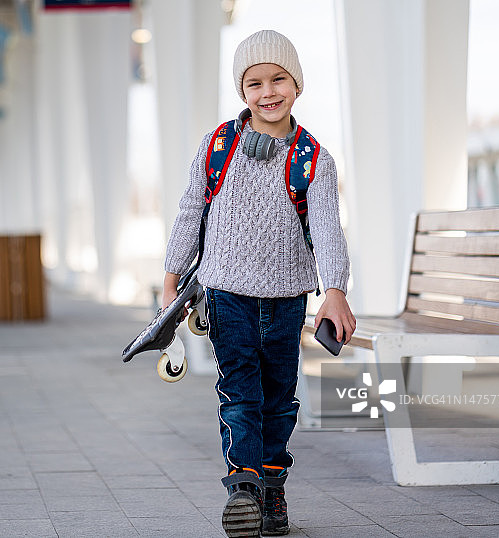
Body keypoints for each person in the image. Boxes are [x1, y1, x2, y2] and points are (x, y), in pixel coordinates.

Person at [161, 29, 356, 537]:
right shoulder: (217, 147)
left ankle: (273, 488)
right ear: (242, 91)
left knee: (280, 398)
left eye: (279, 80)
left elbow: (328, 232)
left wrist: (334, 289)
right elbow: (190, 215)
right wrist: (171, 279)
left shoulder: (314, 158)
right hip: (226, 295)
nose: (268, 92)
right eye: (255, 83)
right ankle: (243, 486)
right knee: (240, 393)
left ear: (297, 84)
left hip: (288, 299)